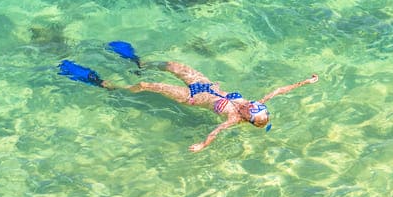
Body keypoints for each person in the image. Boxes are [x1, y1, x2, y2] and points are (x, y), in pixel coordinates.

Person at [58, 45, 319, 152]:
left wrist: (202, 145)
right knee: (171, 64)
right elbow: (279, 91)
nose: (255, 104)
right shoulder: (251, 104)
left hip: (190, 97)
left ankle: (108, 86)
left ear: (246, 119)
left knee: (148, 85)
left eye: (254, 110)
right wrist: (305, 82)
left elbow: (217, 130)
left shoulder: (232, 117)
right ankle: (139, 61)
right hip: (203, 83)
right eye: (259, 106)